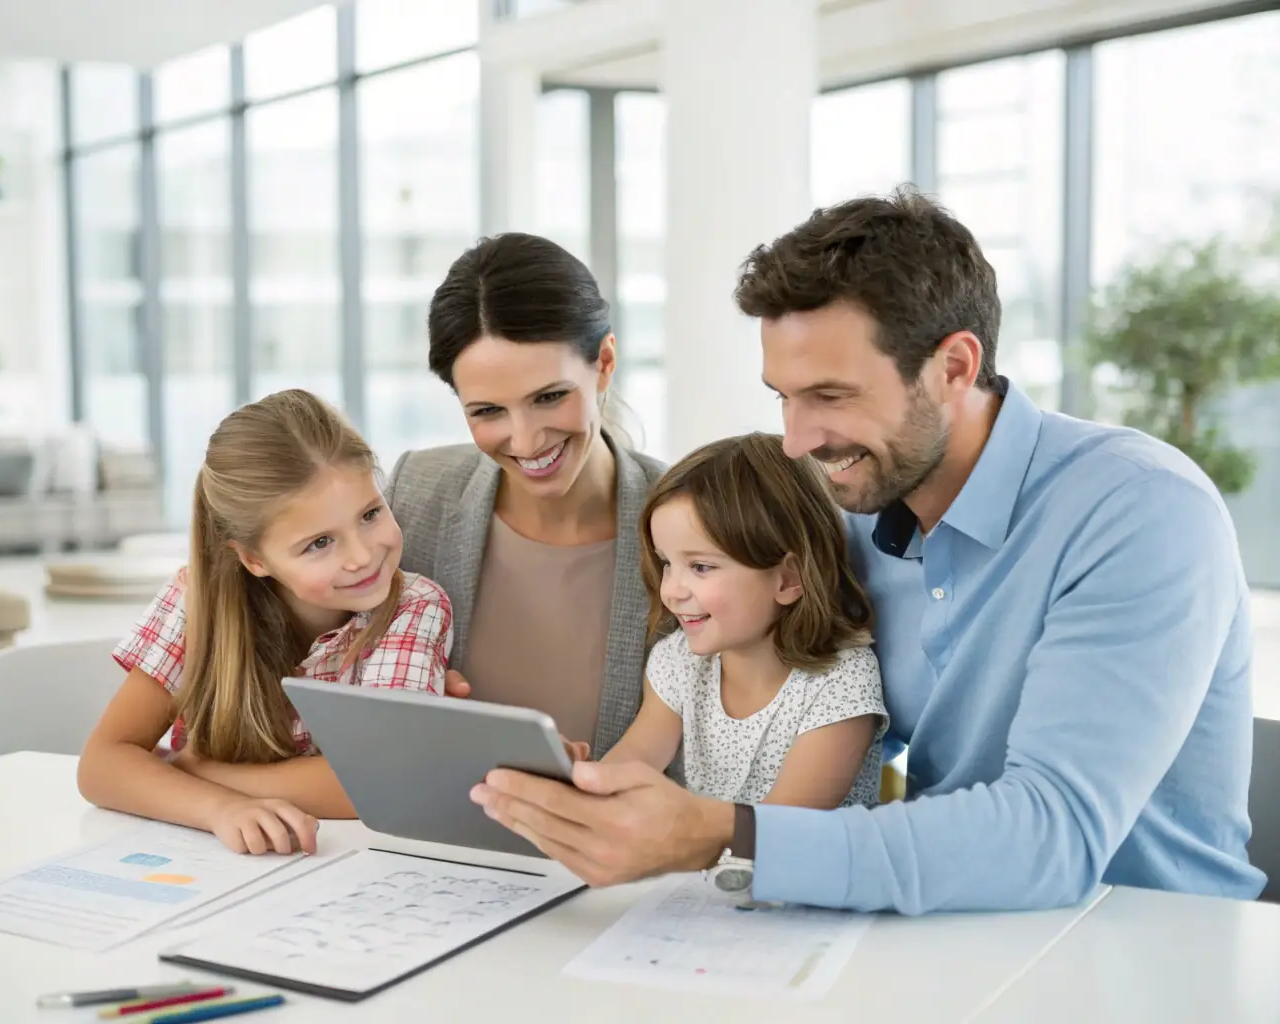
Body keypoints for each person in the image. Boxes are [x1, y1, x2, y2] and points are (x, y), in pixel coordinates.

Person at [469, 188, 1267, 913]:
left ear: (953, 366)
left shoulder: (1136, 510)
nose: (796, 439)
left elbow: (1052, 834)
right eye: (783, 398)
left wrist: (727, 833)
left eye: (830, 396)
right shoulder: (848, 516)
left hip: (1151, 941)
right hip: (946, 928)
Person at [78, 389, 453, 856]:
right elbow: (101, 765)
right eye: (319, 543)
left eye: (370, 514)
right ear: (254, 559)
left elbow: (386, 781)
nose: (363, 555)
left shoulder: (412, 606)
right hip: (212, 861)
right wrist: (219, 808)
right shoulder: (197, 601)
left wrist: (195, 771)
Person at [384, 232, 665, 762]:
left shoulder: (691, 517)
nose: (527, 441)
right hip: (437, 837)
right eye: (487, 411)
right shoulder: (414, 496)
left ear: (605, 361)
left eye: (550, 397)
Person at [597, 432, 888, 812]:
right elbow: (631, 767)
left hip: (804, 869)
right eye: (667, 563)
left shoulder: (841, 682)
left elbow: (780, 829)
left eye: (700, 567)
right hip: (708, 868)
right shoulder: (679, 662)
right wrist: (584, 784)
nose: (671, 591)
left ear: (788, 579)